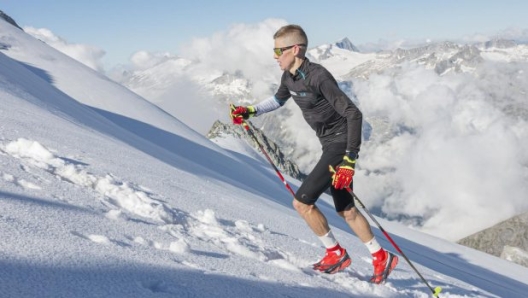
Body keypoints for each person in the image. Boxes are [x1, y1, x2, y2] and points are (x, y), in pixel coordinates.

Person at [230, 24, 398, 283]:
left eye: (278, 50)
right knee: (347, 210)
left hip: (340, 145)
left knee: (302, 203)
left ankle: (336, 253)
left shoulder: (318, 76)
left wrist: (349, 161)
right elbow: (278, 100)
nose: (275, 56)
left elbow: (354, 113)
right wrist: (250, 111)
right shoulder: (289, 76)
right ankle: (381, 257)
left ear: (295, 49)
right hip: (329, 144)